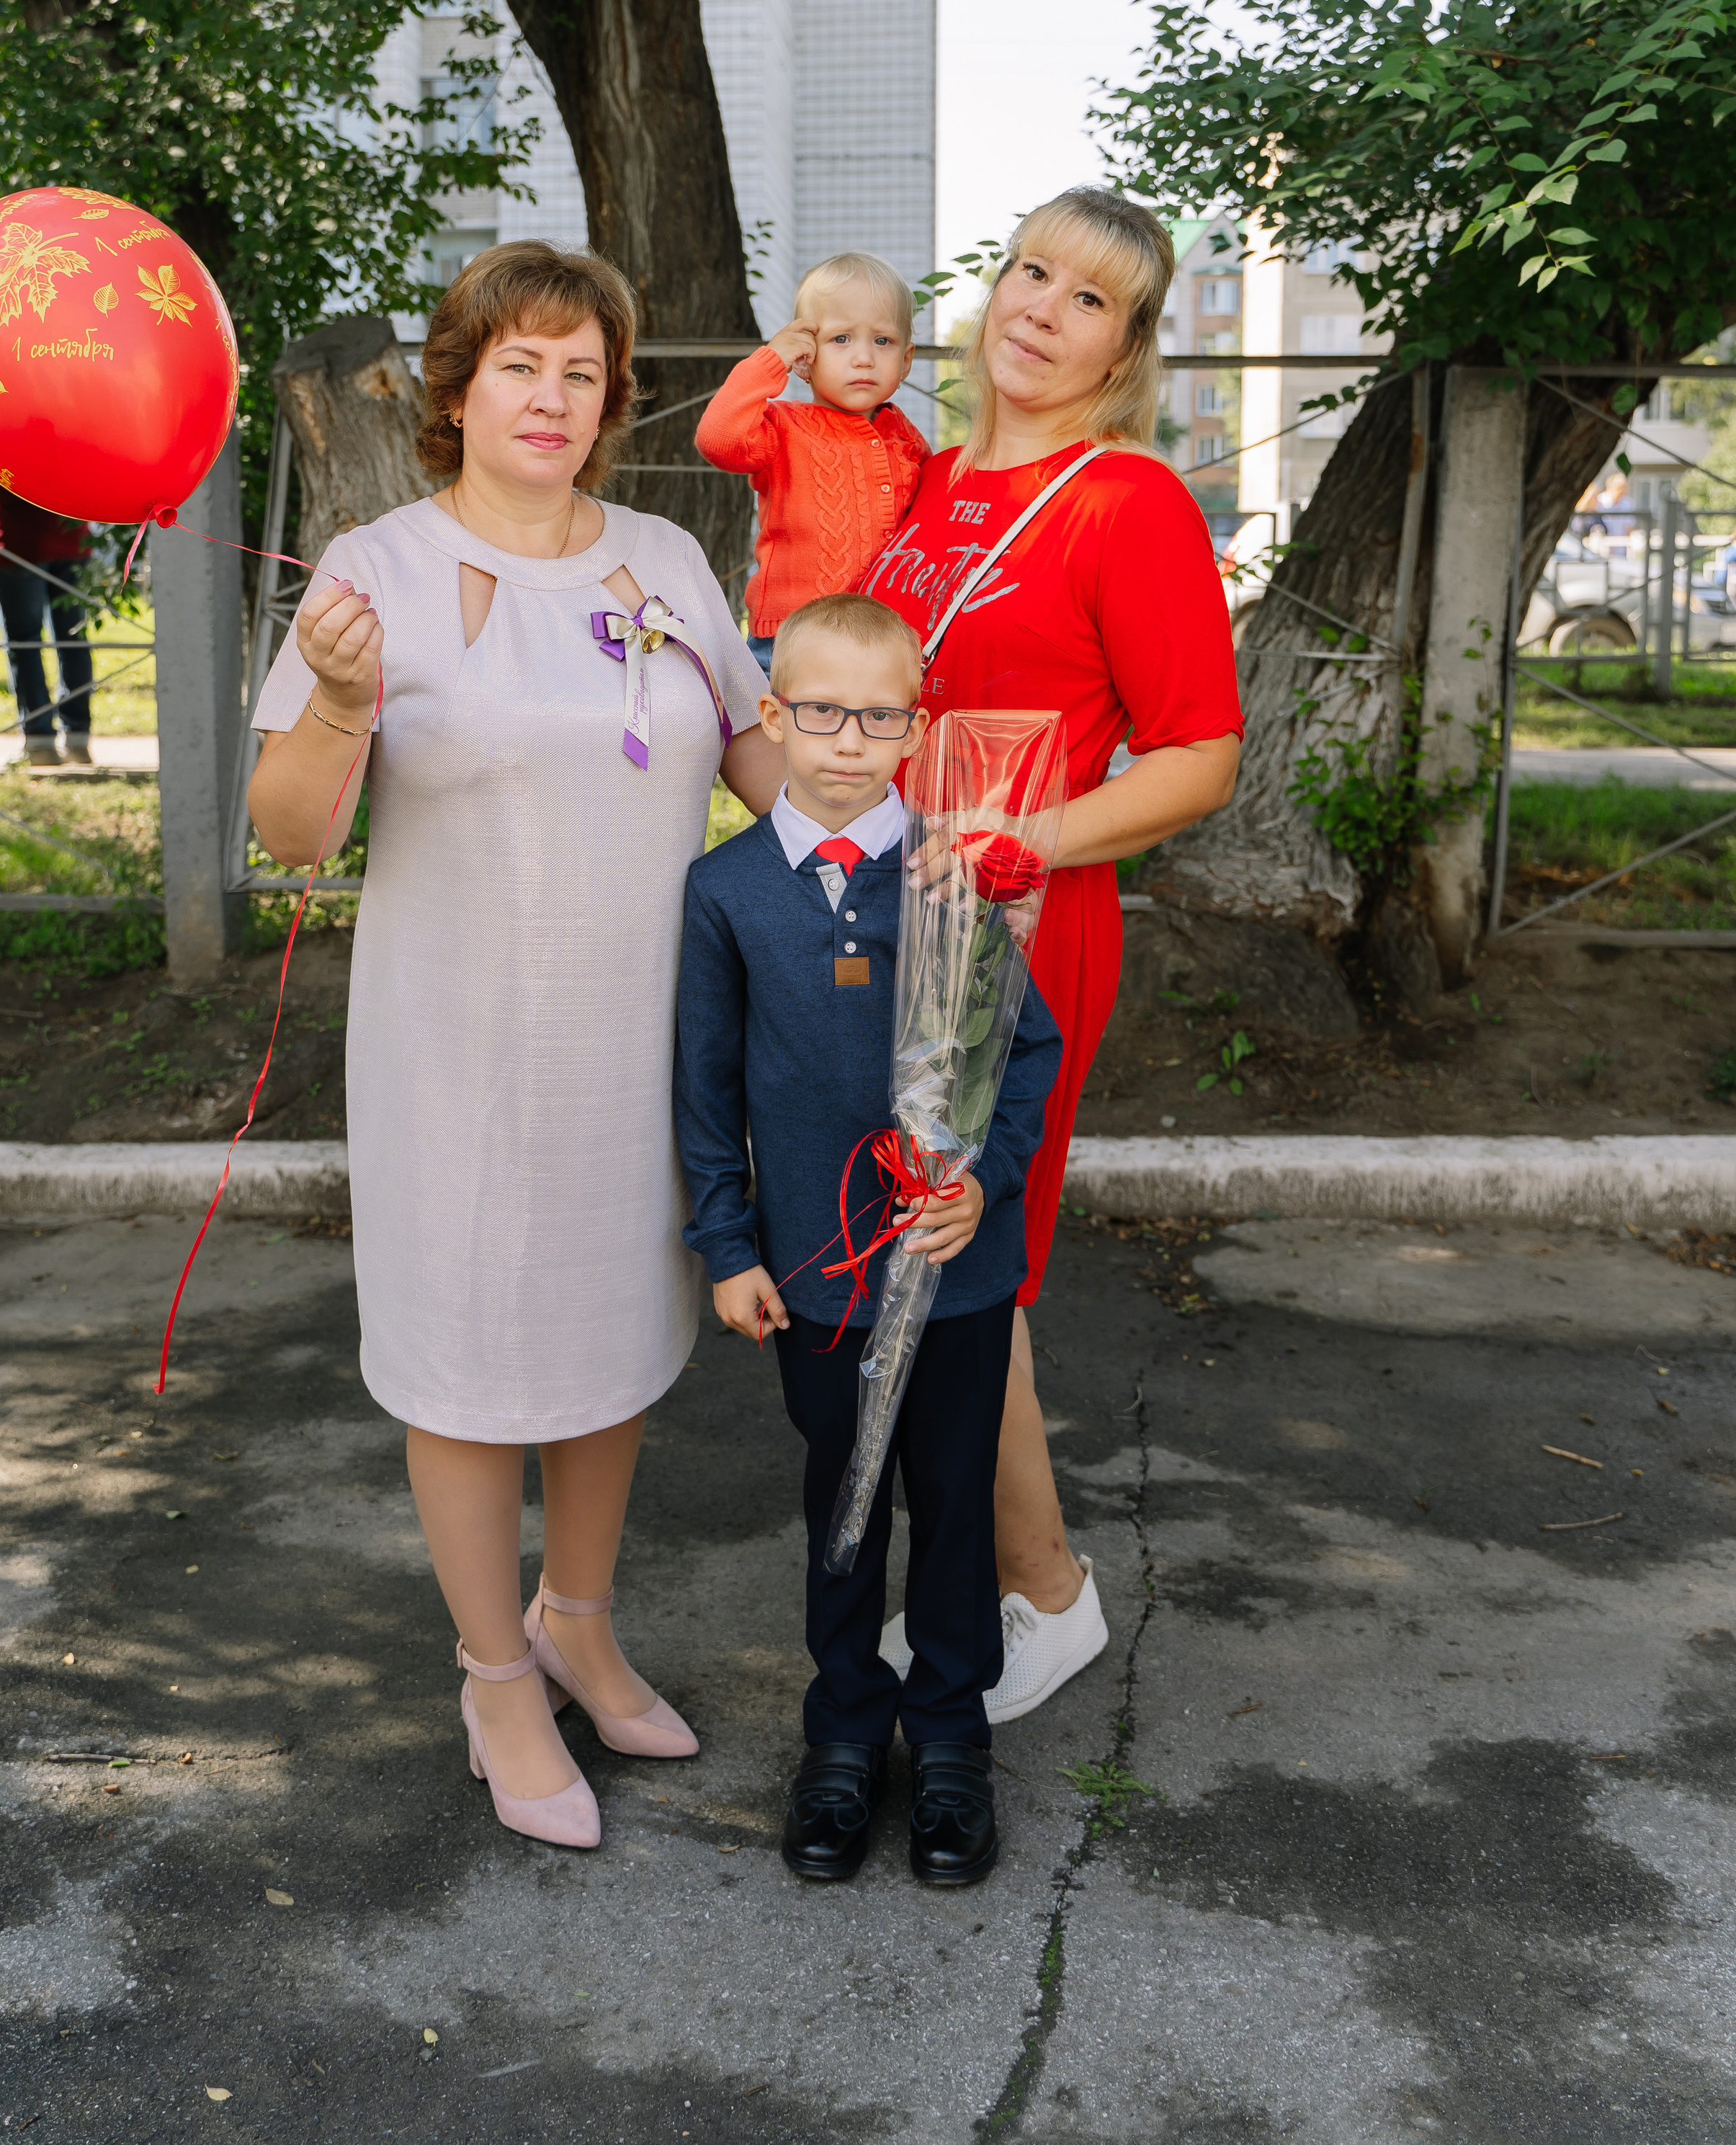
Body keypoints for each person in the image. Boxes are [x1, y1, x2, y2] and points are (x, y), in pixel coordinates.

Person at [246, 242, 785, 1854]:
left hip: (639, 1042)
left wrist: (906, 842)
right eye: (517, 367)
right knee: (474, 1367)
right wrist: (339, 708)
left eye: (581, 371)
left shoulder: (672, 562)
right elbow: (284, 833)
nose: (550, 397)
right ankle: (493, 1675)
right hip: (455, 1054)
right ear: (457, 388)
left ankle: (580, 1620)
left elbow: (760, 750)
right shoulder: (374, 569)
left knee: (611, 1343)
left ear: (613, 399)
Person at [858, 187, 1244, 1723]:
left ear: (1128, 345)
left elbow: (1198, 754)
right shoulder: (920, 480)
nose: (1040, 307)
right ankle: (982, 1575)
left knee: (967, 1259)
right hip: (887, 905)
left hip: (1019, 922)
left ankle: (1043, 1592)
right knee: (907, 1243)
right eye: (1028, 271)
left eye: (1089, 298)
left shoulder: (1125, 501)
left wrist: (1034, 840)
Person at [673, 592, 1060, 1886]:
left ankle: (949, 1737)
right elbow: (705, 1085)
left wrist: (983, 1187)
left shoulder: (958, 872)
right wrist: (728, 1246)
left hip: (954, 1271)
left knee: (953, 1505)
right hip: (818, 1274)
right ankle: (842, 1729)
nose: (848, 739)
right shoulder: (725, 891)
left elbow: (1029, 1055)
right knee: (843, 1502)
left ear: (917, 726)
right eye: (822, 711)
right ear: (774, 716)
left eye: (879, 716)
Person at [694, 254, 929, 676]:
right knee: (782, 741)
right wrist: (770, 361)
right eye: (841, 339)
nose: (864, 358)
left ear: (907, 359)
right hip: (791, 641)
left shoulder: (905, 438)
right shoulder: (782, 428)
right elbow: (718, 439)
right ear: (805, 357)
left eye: (883, 341)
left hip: (886, 643)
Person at [0, 447, 94, 765]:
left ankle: (40, 743)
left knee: (25, 644)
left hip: (16, 545)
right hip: (73, 538)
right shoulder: (67, 403)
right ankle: (78, 739)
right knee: (73, 640)